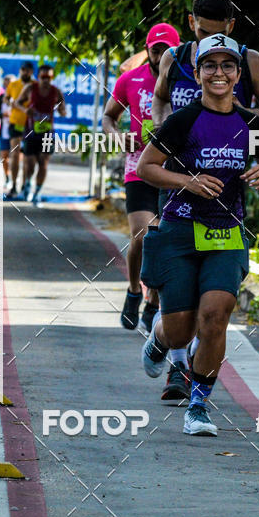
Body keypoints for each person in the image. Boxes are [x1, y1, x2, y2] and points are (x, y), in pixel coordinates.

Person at [137, 34, 259, 436]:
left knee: (215, 318)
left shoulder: (250, 122)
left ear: (239, 74)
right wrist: (187, 181)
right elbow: (147, 168)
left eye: (227, 66)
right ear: (198, 73)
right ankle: (158, 338)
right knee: (181, 330)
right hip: (180, 232)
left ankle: (199, 405)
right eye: (210, 66)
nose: (218, 73)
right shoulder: (182, 120)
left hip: (226, 233)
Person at [102, 22, 181, 337]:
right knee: (142, 236)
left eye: (166, 50)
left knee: (161, 239)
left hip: (174, 170)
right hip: (138, 166)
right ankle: (134, 289)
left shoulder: (188, 80)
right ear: (147, 50)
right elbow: (109, 117)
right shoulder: (130, 79)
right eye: (154, 49)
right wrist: (117, 137)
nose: (159, 54)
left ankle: (153, 302)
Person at [151, 0, 259, 129]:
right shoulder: (174, 58)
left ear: (231, 26)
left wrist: (244, 113)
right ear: (192, 22)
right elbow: (160, 98)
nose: (211, 40)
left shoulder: (250, 60)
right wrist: (161, 126)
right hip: (183, 150)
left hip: (231, 148)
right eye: (204, 32)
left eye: (220, 34)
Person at [14, 64, 66, 205]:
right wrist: (25, 111)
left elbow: (63, 110)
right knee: (30, 164)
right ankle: (28, 183)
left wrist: (61, 110)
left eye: (49, 77)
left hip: (48, 133)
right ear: (38, 77)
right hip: (31, 131)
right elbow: (17, 103)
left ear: (52, 77)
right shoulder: (31, 88)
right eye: (43, 77)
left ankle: (37, 192)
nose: (46, 80)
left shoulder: (56, 92)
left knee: (43, 163)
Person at [5, 61, 35, 198]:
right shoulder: (13, 85)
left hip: (30, 124)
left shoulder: (35, 86)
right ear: (20, 70)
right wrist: (9, 102)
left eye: (28, 70)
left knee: (28, 157)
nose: (25, 72)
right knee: (15, 154)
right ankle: (14, 185)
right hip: (15, 122)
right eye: (23, 69)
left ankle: (25, 184)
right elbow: (6, 99)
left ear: (32, 72)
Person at [0, 73, 15, 188]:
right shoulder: (2, 97)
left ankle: (16, 176)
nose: (8, 86)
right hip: (4, 131)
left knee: (16, 156)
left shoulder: (20, 97)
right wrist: (3, 114)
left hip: (17, 132)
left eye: (11, 84)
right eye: (6, 84)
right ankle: (7, 177)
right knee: (5, 156)